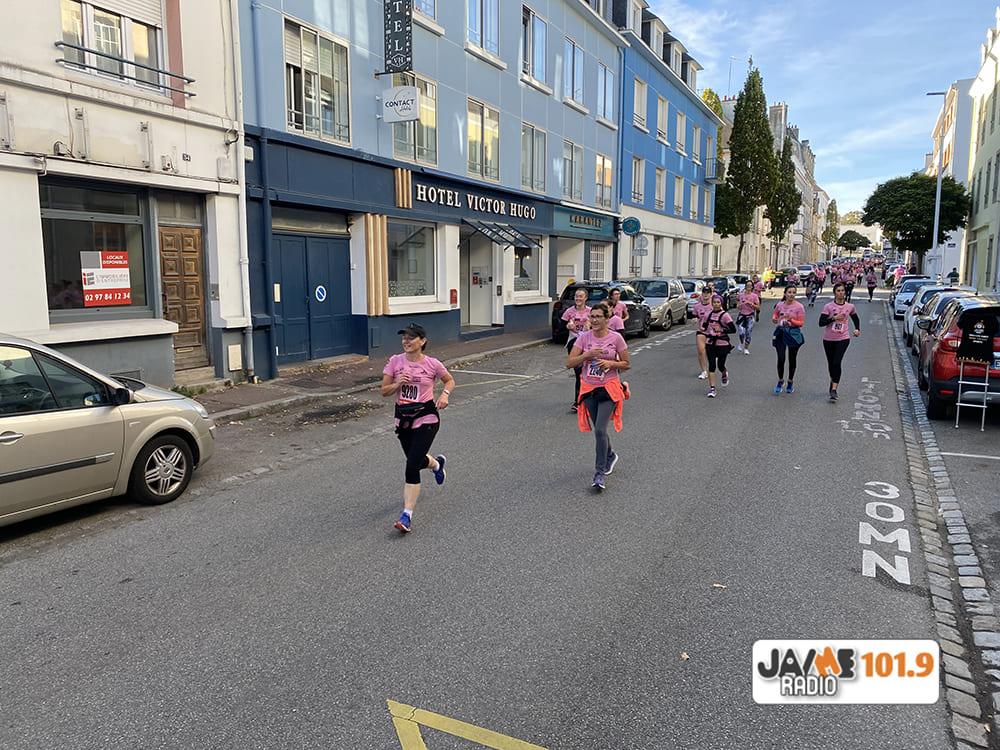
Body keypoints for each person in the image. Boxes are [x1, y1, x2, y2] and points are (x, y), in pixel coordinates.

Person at [381, 323, 455, 534]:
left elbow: (449, 381)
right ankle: (436, 465)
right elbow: (384, 391)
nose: (406, 341)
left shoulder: (432, 364)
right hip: (403, 418)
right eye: (404, 337)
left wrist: (444, 395)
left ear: (422, 341)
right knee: (416, 459)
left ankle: (406, 515)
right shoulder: (395, 362)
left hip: (426, 416)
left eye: (411, 337)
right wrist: (397, 384)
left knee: (412, 464)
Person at [567, 303, 631, 491]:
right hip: (589, 389)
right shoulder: (584, 338)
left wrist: (611, 364)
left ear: (606, 319)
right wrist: (586, 355)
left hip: (609, 389)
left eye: (598, 317)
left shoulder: (616, 338)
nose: (594, 320)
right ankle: (610, 455)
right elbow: (569, 363)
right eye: (592, 316)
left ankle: (599, 473)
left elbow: (626, 363)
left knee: (600, 430)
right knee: (598, 429)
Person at [819, 282, 861, 401]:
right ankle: (833, 380)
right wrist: (833, 318)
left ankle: (834, 389)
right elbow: (821, 323)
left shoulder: (850, 306)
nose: (841, 293)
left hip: (843, 338)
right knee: (831, 364)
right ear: (834, 293)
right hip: (828, 339)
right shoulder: (828, 306)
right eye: (838, 291)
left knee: (837, 362)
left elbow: (856, 318)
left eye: (842, 290)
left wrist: (857, 329)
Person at [771, 285, 806, 395]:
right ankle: (780, 380)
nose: (791, 295)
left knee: (792, 358)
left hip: (793, 334)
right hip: (781, 332)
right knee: (781, 358)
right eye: (789, 292)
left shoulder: (799, 307)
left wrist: (792, 320)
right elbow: (775, 313)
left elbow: (801, 323)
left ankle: (790, 381)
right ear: (785, 293)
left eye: (793, 292)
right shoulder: (780, 304)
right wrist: (774, 318)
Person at [701, 295, 737, 397]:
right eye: (714, 302)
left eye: (718, 302)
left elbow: (733, 330)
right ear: (712, 303)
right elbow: (704, 327)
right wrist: (702, 328)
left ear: (721, 303)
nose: (716, 304)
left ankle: (724, 372)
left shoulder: (725, 315)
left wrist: (721, 330)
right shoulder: (708, 314)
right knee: (712, 366)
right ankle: (712, 388)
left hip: (722, 343)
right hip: (710, 343)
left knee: (720, 365)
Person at [562, 288, 591, 412]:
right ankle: (578, 402)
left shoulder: (590, 311)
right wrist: (567, 326)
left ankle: (587, 398)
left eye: (580, 296)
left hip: (588, 344)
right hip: (574, 343)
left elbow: (599, 325)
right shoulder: (569, 311)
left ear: (585, 298)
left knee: (587, 372)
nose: (578, 298)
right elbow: (560, 327)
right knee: (578, 372)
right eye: (576, 296)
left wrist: (590, 326)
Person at [692, 284, 715, 379]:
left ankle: (712, 368)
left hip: (713, 332)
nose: (706, 295)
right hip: (701, 331)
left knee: (711, 353)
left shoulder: (714, 305)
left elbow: (721, 315)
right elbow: (695, 316)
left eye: (708, 293)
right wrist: (694, 320)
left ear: (711, 294)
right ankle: (704, 371)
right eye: (704, 293)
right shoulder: (697, 306)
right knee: (701, 351)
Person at [736, 280, 760, 354]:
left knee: (748, 333)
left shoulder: (754, 296)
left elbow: (758, 307)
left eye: (750, 285)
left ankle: (746, 348)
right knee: (741, 332)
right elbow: (738, 305)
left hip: (750, 316)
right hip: (741, 316)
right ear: (745, 286)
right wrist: (740, 305)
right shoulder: (741, 295)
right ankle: (741, 342)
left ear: (752, 287)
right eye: (747, 285)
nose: (749, 287)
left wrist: (751, 304)